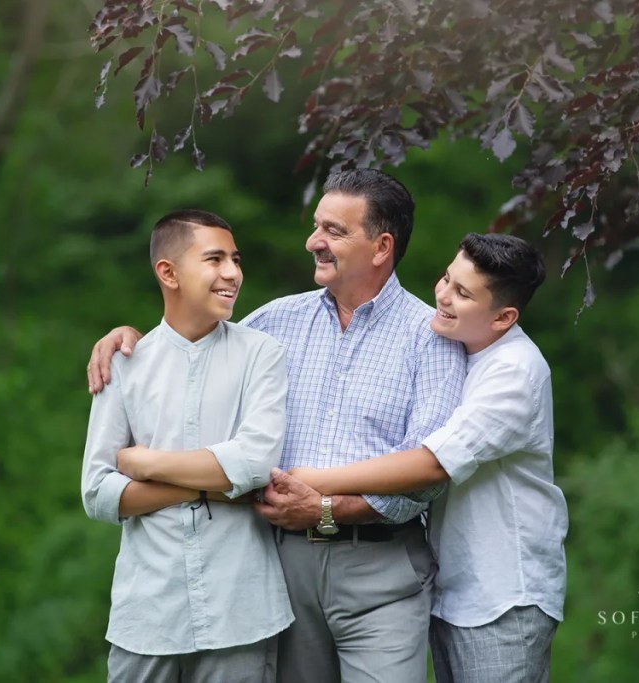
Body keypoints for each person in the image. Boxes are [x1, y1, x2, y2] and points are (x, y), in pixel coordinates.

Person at [87, 170, 466, 683]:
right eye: (317, 226)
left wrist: (326, 508)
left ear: (381, 246)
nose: (314, 241)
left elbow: (425, 475)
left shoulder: (431, 339)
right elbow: (191, 346)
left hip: (381, 572)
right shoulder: (273, 323)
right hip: (283, 567)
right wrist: (126, 336)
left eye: (333, 231)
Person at [289, 232, 568, 683]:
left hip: (501, 596)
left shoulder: (515, 372)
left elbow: (432, 464)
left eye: (463, 292)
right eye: (445, 278)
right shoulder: (460, 351)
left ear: (503, 317)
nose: (443, 295)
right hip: (453, 588)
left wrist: (319, 481)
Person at [81, 209, 293, 683]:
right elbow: (97, 493)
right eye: (215, 259)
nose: (233, 273)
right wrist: (214, 485)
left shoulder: (262, 354)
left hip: (241, 610)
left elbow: (255, 465)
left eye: (236, 260)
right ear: (168, 272)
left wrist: (147, 464)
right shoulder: (125, 364)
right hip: (147, 615)